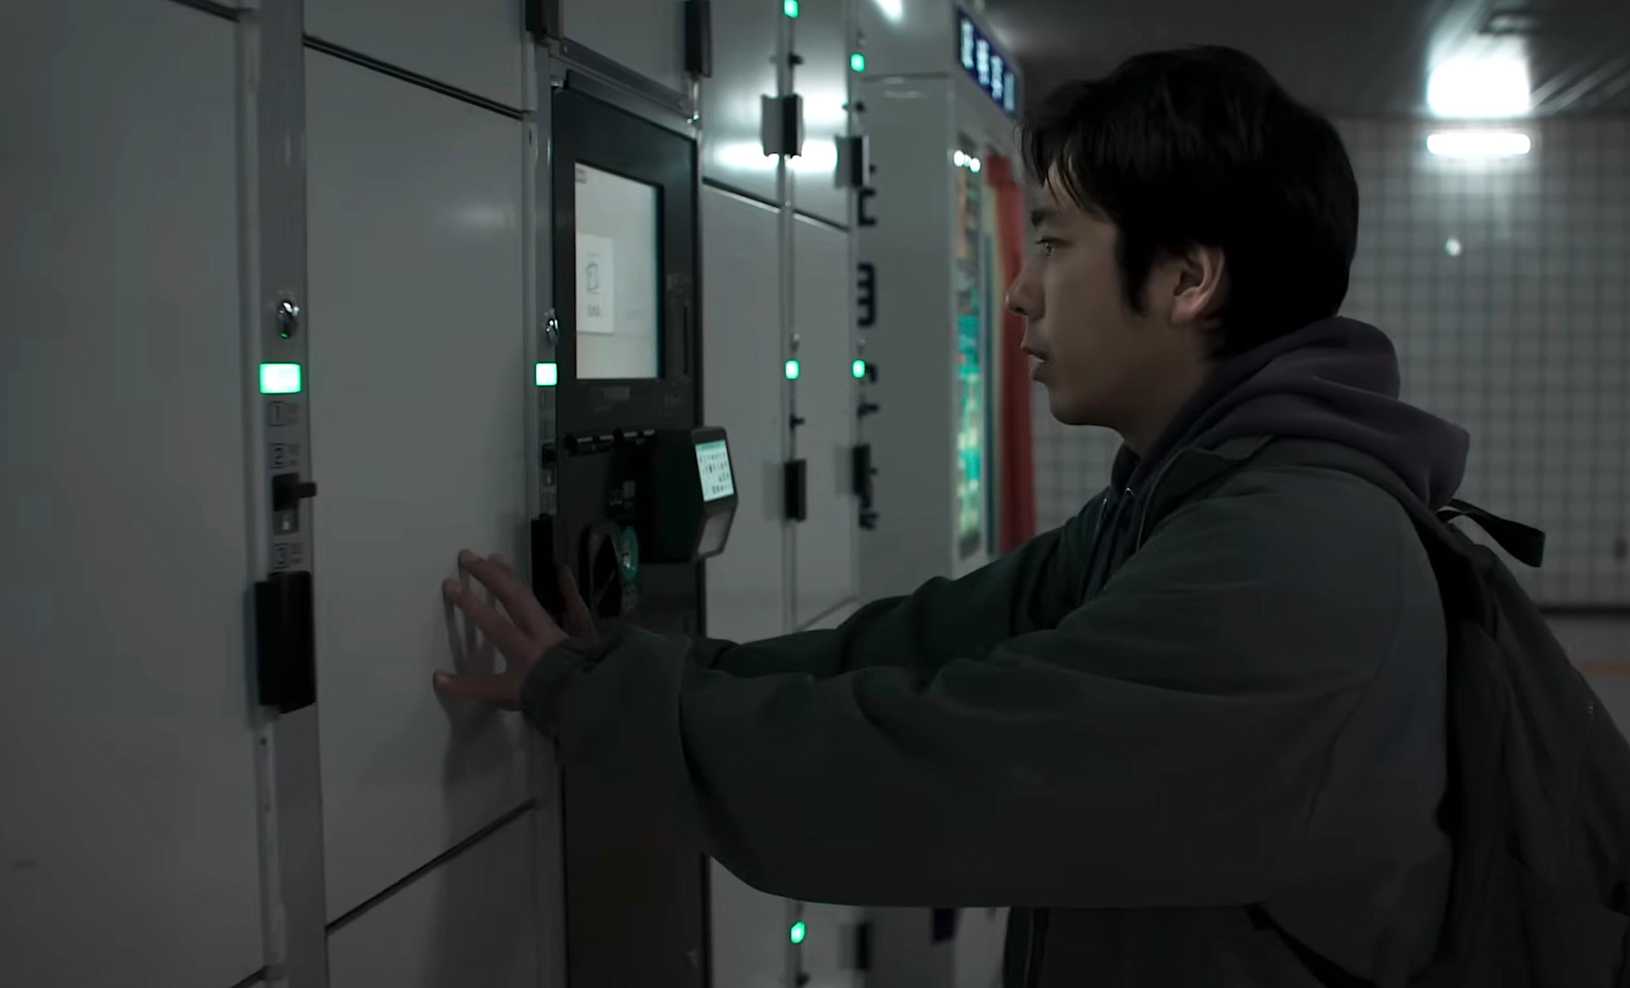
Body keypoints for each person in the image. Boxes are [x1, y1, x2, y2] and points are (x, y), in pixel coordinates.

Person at [433, 45, 1462, 988]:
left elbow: (925, 768)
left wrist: (597, 703)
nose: (1019, 292)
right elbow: (925, 642)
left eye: (1054, 244)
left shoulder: (1289, 559)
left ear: (1189, 278)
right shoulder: (1194, 496)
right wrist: (638, 670)